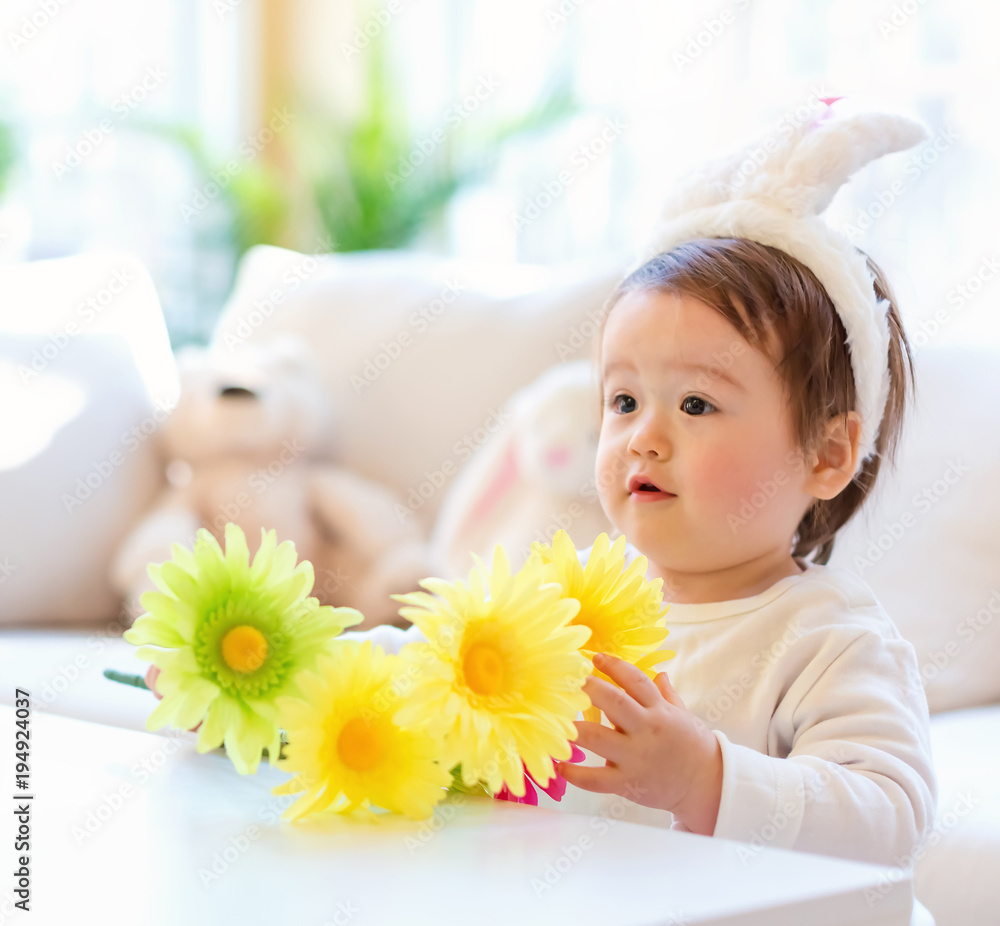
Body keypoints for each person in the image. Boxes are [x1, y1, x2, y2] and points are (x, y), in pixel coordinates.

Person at [340, 103, 939, 879]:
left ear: (827, 454)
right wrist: (296, 672)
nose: (642, 439)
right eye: (622, 401)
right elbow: (429, 663)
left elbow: (890, 819)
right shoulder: (568, 601)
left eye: (696, 405)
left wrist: (708, 779)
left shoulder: (827, 639)